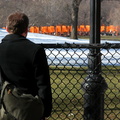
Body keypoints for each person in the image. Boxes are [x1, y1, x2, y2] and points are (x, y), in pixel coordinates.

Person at [0, 12, 52, 120]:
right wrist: (45, 110)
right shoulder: (35, 51)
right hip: (29, 108)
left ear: (6, 28)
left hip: (4, 107)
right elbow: (43, 84)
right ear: (26, 30)